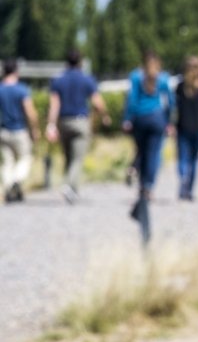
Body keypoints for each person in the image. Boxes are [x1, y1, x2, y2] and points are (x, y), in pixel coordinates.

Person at [46, 49, 111, 204]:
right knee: (77, 158)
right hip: (80, 121)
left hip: (64, 121)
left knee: (68, 157)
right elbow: (96, 101)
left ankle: (72, 190)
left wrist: (51, 124)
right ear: (80, 62)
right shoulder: (86, 79)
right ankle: (68, 185)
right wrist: (105, 115)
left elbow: (54, 104)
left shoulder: (59, 80)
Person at [123, 52, 174, 242]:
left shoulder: (136, 76)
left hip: (140, 119)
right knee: (154, 154)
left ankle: (139, 178)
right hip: (156, 118)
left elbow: (132, 99)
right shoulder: (163, 78)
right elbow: (170, 102)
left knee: (141, 153)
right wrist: (169, 121)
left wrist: (127, 118)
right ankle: (147, 186)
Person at [0, 59, 40, 203]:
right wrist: (34, 129)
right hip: (19, 130)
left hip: (3, 131)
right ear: (16, 72)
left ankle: (8, 187)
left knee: (7, 162)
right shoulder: (21, 89)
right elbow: (30, 112)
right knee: (25, 158)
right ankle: (16, 180)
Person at [174, 56, 198, 201]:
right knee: (194, 160)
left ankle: (183, 179)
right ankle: (189, 190)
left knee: (183, 158)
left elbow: (175, 108)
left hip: (183, 126)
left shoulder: (180, 87)